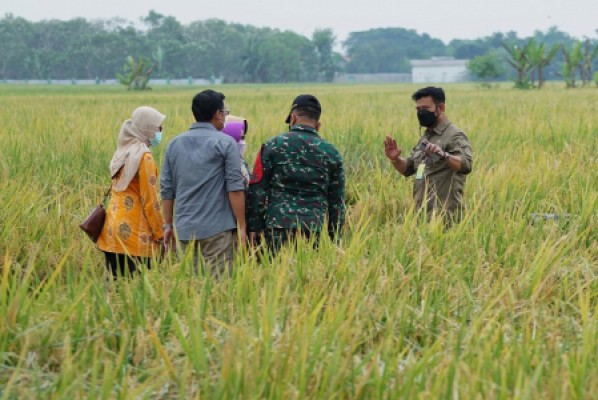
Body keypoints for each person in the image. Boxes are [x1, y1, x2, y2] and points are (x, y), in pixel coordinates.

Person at [160, 89, 246, 278]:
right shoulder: (226, 143)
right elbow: (235, 188)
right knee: (219, 288)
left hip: (184, 229)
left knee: (190, 288)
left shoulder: (174, 144)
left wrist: (167, 225)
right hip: (218, 230)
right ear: (217, 114)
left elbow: (167, 190)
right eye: (225, 112)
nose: (225, 117)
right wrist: (242, 227)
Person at [246, 94, 345, 255]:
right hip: (313, 228)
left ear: (292, 118)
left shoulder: (272, 146)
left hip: (277, 226)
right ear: (318, 125)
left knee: (274, 274)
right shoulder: (331, 153)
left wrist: (254, 226)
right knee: (308, 277)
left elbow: (257, 188)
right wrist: (335, 238)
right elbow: (337, 201)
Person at [384, 86, 473, 223]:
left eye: (425, 108)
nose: (421, 113)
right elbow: (409, 168)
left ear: (441, 108)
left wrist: (443, 155)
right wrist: (395, 159)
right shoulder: (427, 136)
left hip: (446, 217)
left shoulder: (454, 135)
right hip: (422, 215)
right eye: (418, 109)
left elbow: (465, 165)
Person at [97, 106, 166, 278]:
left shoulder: (122, 152)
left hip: (111, 231)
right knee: (136, 295)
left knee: (115, 290)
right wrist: (160, 234)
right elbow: (150, 201)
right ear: (147, 128)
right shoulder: (144, 157)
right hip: (135, 236)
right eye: (158, 127)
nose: (160, 132)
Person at [222, 115, 251, 189]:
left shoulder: (240, 161)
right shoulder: (233, 164)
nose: (242, 142)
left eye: (243, 137)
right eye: (239, 138)